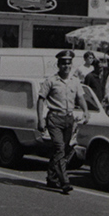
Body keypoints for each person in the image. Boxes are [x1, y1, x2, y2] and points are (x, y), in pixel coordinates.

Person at [37, 50, 89, 194]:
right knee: (59, 148)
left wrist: (86, 111)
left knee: (62, 150)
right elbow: (41, 99)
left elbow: (80, 98)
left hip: (69, 119)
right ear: (58, 65)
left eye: (69, 63)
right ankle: (64, 181)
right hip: (54, 118)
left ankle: (52, 177)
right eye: (63, 63)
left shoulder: (75, 81)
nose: (66, 66)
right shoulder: (51, 81)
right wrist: (40, 119)